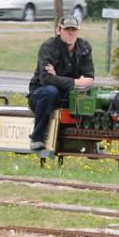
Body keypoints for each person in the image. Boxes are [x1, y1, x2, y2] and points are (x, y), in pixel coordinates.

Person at [27, 15, 94, 150]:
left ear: (78, 31)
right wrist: (75, 81)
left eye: (73, 30)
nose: (70, 33)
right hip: (40, 95)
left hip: (68, 94)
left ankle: (90, 141)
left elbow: (89, 79)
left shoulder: (84, 47)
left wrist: (57, 77)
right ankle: (36, 138)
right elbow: (46, 79)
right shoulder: (48, 47)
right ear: (59, 30)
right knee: (51, 91)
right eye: (67, 29)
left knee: (88, 96)